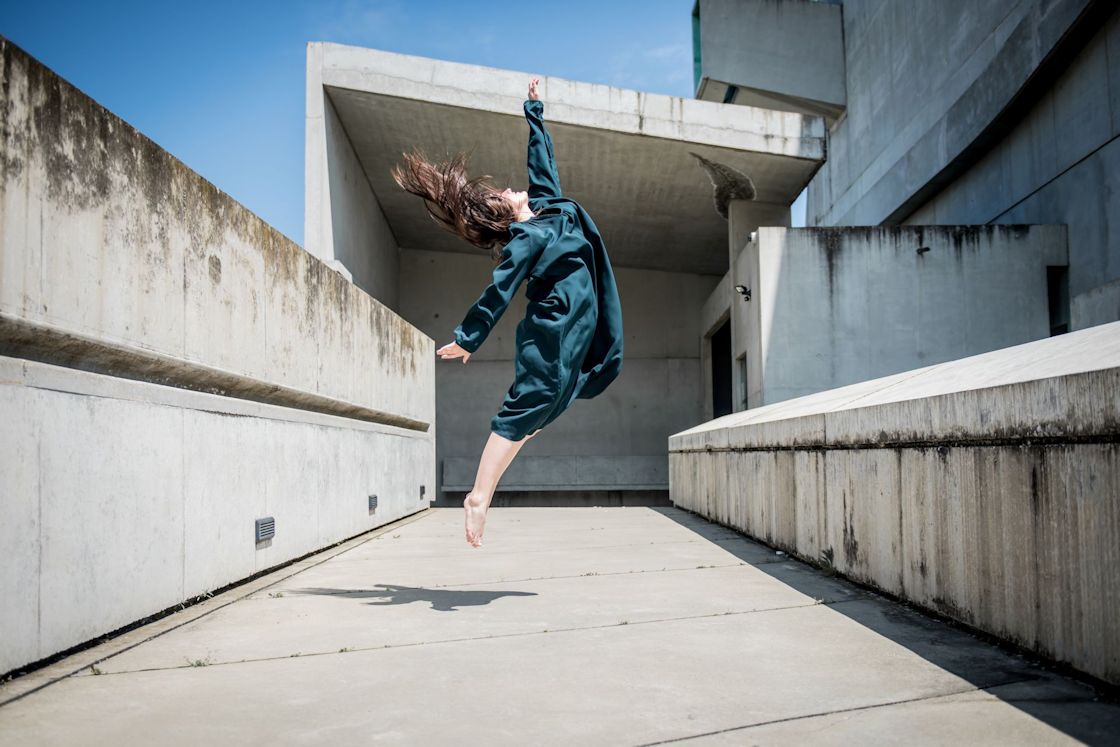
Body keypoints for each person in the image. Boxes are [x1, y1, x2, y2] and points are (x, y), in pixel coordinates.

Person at [391, 77, 623, 547]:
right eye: (507, 194)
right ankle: (478, 498)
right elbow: (500, 289)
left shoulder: (549, 209)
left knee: (573, 388)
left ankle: (506, 455)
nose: (515, 188)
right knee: (530, 405)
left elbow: (542, 163)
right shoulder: (524, 239)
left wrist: (534, 112)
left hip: (580, 321)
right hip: (554, 327)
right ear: (504, 212)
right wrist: (470, 337)